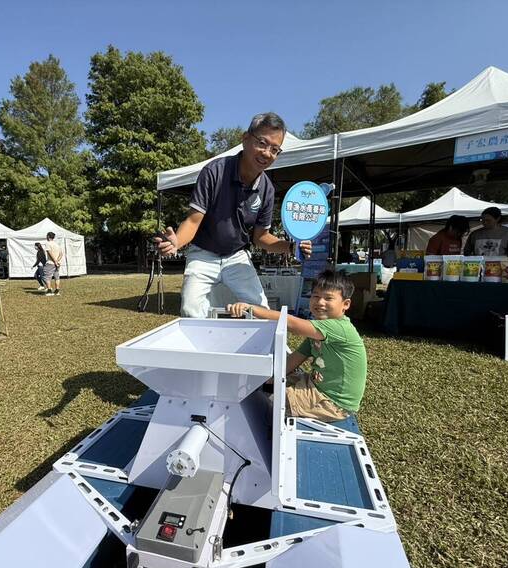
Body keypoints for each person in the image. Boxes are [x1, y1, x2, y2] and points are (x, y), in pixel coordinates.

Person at [155, 113, 312, 317]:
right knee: (190, 310)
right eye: (262, 143)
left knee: (260, 309)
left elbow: (261, 237)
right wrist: (176, 242)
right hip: (203, 253)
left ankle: (256, 347)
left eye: (275, 150)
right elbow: (193, 221)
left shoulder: (267, 189)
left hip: (236, 256)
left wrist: (291, 247)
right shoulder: (214, 172)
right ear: (245, 139)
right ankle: (205, 347)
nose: (267, 153)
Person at [228, 269, 367, 422]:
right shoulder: (318, 332)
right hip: (315, 385)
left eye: (328, 298)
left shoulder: (338, 327)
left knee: (273, 401)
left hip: (333, 402)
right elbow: (296, 358)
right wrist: (272, 378)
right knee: (265, 382)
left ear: (345, 304)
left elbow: (293, 324)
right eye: (316, 296)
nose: (320, 302)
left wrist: (252, 309)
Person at [43, 232, 64, 296]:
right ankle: (57, 291)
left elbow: (49, 253)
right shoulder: (57, 244)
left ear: (48, 236)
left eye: (46, 236)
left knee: (46, 276)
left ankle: (49, 291)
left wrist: (55, 261)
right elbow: (61, 254)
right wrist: (57, 261)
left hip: (50, 263)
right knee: (56, 276)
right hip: (58, 263)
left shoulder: (48, 243)